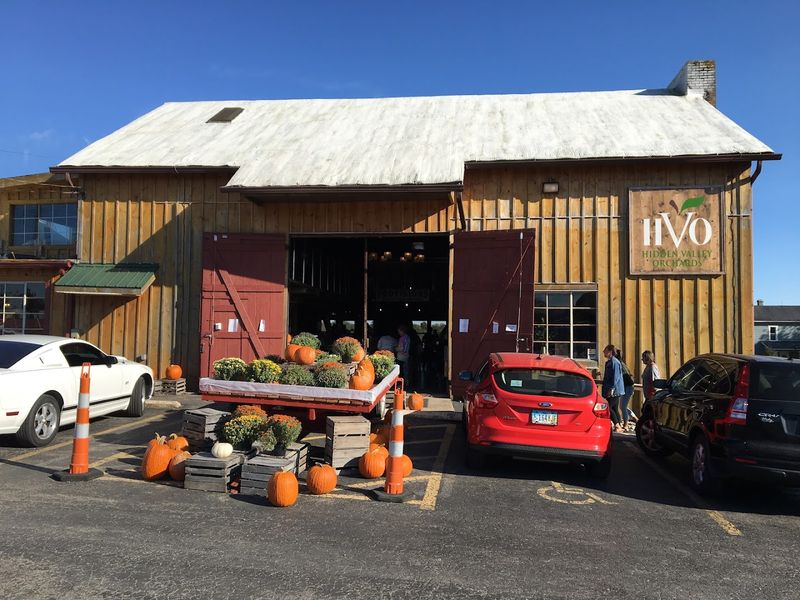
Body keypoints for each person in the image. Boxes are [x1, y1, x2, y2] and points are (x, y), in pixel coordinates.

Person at [601, 344, 625, 433]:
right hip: (612, 389)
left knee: (608, 407)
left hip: (615, 390)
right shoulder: (610, 362)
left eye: (605, 350)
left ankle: (617, 425)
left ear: (610, 352)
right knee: (614, 408)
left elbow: (616, 377)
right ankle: (619, 425)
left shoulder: (614, 362)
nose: (603, 352)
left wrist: (611, 389)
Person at [615, 349, 636, 431]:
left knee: (622, 406)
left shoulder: (619, 364)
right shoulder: (621, 363)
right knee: (623, 406)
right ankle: (634, 418)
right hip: (627, 386)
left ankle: (626, 424)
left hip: (628, 386)